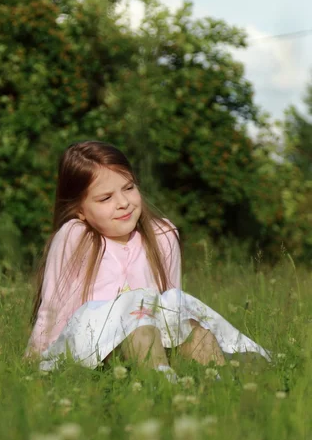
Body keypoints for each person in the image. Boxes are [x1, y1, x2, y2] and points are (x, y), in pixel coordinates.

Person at [26, 141, 270, 381]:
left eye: (129, 187)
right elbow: (53, 306)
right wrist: (35, 361)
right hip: (95, 349)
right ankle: (164, 390)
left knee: (197, 333)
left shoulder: (162, 235)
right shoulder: (76, 236)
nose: (123, 202)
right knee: (139, 328)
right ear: (79, 209)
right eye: (105, 198)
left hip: (156, 338)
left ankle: (224, 389)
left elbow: (172, 306)